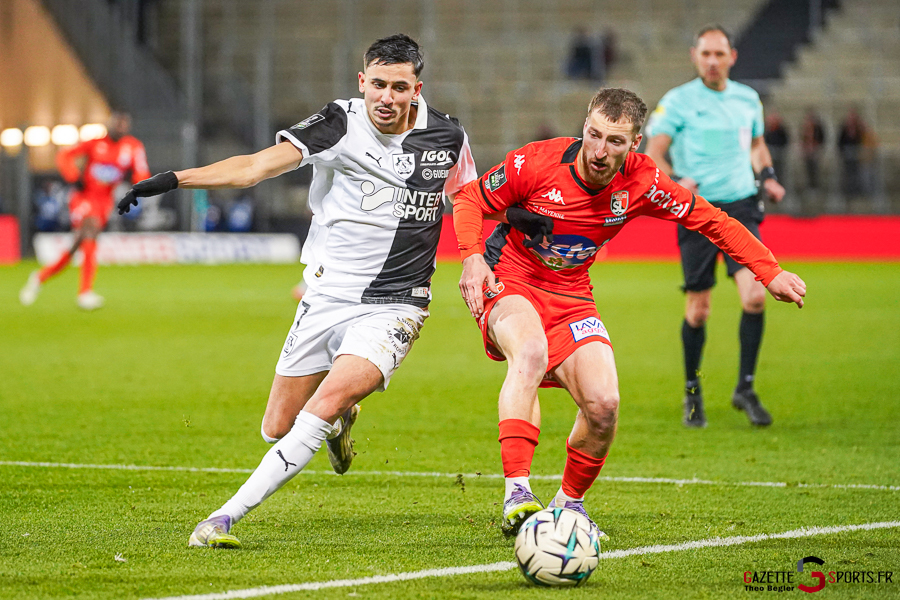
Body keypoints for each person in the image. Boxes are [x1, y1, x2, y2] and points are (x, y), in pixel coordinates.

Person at [117, 34, 476, 548]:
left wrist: (474, 257)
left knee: (319, 406)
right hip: (327, 295)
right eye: (378, 84)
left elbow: (467, 194)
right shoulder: (338, 123)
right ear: (362, 81)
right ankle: (342, 422)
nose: (387, 98)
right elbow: (253, 168)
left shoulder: (448, 136)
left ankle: (222, 519)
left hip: (398, 302)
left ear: (417, 88)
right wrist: (174, 179)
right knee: (277, 426)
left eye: (400, 87)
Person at [454, 87, 806, 536]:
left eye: (615, 142)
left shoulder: (644, 182)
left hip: (573, 292)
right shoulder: (537, 163)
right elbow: (470, 199)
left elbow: (712, 221)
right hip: (510, 276)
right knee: (530, 352)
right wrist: (471, 256)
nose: (599, 152)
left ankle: (568, 507)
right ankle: (518, 494)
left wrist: (767, 271)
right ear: (584, 125)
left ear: (635, 143)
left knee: (604, 405)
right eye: (594, 135)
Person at [645, 25, 787, 429]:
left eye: (719, 54)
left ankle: (745, 387)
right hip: (697, 210)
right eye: (705, 54)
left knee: (756, 296)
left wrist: (769, 175)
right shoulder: (678, 101)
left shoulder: (748, 100)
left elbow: (757, 145)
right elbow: (653, 152)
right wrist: (674, 183)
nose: (712, 61)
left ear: (732, 57)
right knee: (699, 309)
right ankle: (693, 392)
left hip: (741, 207)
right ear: (695, 56)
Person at [19, 112, 150, 310]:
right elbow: (64, 155)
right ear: (110, 124)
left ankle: (40, 277)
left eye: (124, 125)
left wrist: (139, 186)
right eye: (117, 123)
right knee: (90, 230)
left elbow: (142, 171)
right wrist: (73, 176)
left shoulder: (133, 147)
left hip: (105, 202)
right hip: (84, 197)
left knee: (78, 245)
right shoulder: (94, 143)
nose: (120, 127)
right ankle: (85, 292)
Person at [800, 108, 826, 192]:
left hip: (815, 152)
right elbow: (801, 139)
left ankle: (816, 186)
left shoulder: (818, 129)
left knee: (815, 169)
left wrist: (816, 147)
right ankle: (808, 186)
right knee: (808, 169)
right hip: (807, 152)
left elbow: (822, 139)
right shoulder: (804, 129)